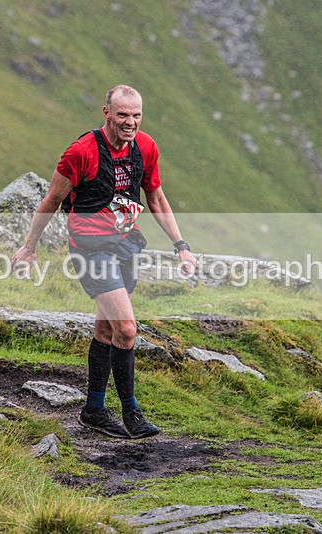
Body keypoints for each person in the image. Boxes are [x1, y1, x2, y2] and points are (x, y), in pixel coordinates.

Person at [11, 85, 197, 439]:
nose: (130, 122)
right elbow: (52, 199)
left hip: (125, 245)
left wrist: (181, 245)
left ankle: (93, 409)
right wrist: (29, 248)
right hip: (91, 249)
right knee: (127, 330)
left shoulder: (145, 147)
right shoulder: (81, 152)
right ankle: (132, 413)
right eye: (123, 115)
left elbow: (155, 196)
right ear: (106, 113)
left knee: (106, 330)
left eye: (137, 115)